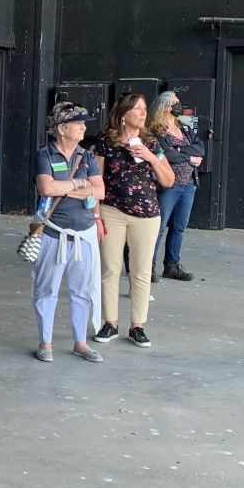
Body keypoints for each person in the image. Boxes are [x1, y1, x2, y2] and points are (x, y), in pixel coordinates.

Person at [91, 93, 174, 348]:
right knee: (110, 268)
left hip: (147, 214)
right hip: (112, 211)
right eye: (137, 108)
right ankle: (110, 323)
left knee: (140, 271)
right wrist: (95, 215)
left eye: (144, 109)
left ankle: (138, 326)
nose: (142, 113)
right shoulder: (106, 142)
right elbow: (97, 181)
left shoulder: (151, 142)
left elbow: (169, 180)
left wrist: (150, 156)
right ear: (124, 114)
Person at [32, 102, 106, 363]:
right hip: (53, 234)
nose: (84, 127)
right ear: (62, 128)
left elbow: (100, 191)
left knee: (82, 291)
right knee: (46, 290)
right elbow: (46, 188)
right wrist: (77, 183)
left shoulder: (86, 156)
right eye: (79, 123)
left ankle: (81, 343)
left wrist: (65, 188)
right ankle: (46, 342)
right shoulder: (45, 154)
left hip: (83, 233)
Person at [147, 91, 205, 283]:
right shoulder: (157, 130)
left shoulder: (184, 127)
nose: (178, 106)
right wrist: (188, 156)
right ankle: (149, 266)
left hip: (189, 184)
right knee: (159, 226)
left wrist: (180, 150)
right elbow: (166, 154)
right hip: (168, 185)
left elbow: (200, 148)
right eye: (175, 103)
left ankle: (172, 265)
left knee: (179, 227)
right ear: (165, 106)